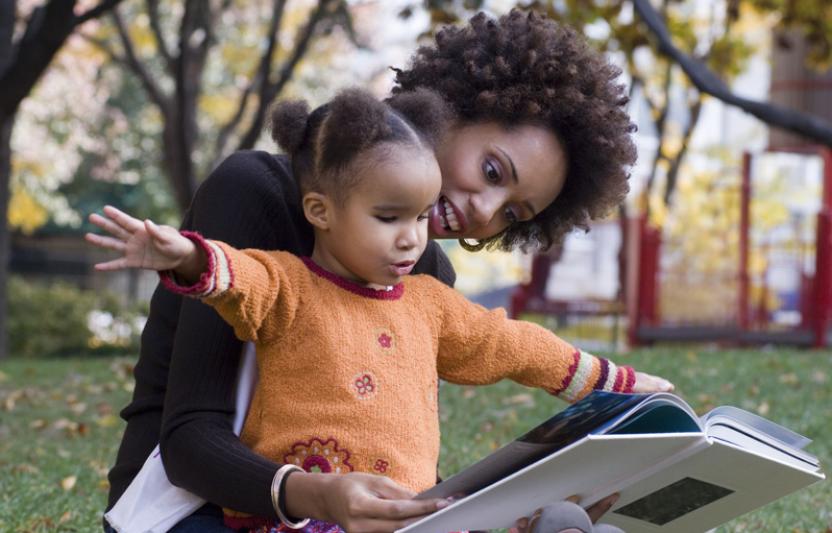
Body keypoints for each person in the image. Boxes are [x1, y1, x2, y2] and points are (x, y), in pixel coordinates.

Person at [103, 8, 646, 533]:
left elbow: (388, 450)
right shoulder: (255, 192)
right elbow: (188, 442)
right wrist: (321, 495)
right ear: (448, 107)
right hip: (179, 506)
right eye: (491, 170)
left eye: (511, 213)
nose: (485, 210)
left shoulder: (425, 276)